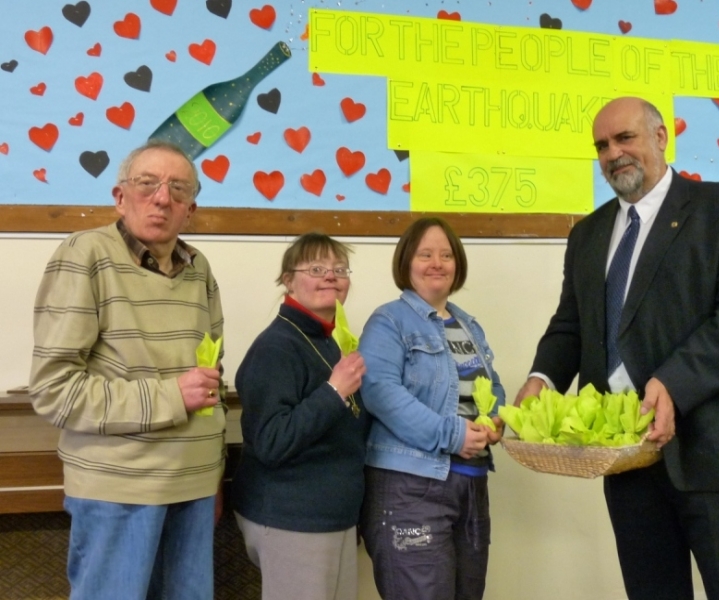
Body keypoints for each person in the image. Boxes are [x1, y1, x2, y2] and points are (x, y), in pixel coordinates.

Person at [516, 96, 719, 599]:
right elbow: (571, 325)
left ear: (661, 138)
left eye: (624, 138)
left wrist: (672, 384)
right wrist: (542, 379)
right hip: (628, 464)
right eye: (601, 145)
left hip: (716, 458)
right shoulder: (588, 235)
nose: (613, 153)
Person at [28, 140, 225, 600]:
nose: (162, 197)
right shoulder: (84, 255)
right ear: (119, 196)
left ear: (191, 209)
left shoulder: (200, 268)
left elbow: (212, 379)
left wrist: (213, 474)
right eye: (147, 184)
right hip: (117, 489)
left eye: (178, 189)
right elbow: (54, 390)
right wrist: (172, 397)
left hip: (193, 486)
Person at [358, 217, 506, 600]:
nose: (436, 262)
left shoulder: (468, 325)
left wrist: (496, 420)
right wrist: (453, 435)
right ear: (406, 262)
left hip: (471, 486)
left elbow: (492, 388)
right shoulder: (388, 321)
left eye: (445, 254)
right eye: (425, 254)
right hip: (411, 489)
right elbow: (379, 391)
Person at [230, 232, 369, 600]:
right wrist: (334, 391)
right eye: (317, 268)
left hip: (332, 516)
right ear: (288, 280)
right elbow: (272, 442)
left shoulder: (332, 340)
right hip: (291, 518)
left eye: (339, 269)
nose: (331, 276)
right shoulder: (276, 347)